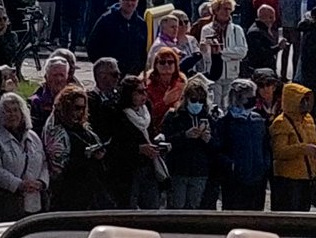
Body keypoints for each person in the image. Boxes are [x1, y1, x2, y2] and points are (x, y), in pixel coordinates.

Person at [43, 84, 113, 211]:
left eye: (83, 108)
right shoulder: (57, 131)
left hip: (91, 192)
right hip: (69, 194)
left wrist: (99, 155)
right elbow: (58, 168)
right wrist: (86, 156)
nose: (80, 112)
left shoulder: (85, 130)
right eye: (76, 108)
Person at [107, 76, 168, 210]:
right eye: (139, 92)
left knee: (152, 206)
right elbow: (114, 145)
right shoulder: (117, 113)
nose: (144, 95)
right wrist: (138, 148)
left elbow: (151, 133)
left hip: (149, 166)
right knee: (129, 207)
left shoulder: (146, 109)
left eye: (145, 91)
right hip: (128, 170)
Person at [0, 92, 49, 221]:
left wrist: (42, 182)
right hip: (7, 203)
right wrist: (18, 184)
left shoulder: (33, 136)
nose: (12, 115)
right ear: (0, 114)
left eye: (16, 110)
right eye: (7, 111)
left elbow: (44, 162)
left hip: (35, 202)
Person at [269, 82, 316, 211]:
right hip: (288, 179)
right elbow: (279, 151)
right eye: (302, 100)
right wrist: (303, 149)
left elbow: (309, 141)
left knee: (303, 214)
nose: (306, 104)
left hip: (306, 177)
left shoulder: (308, 119)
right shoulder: (280, 123)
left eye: (307, 100)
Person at [161, 77, 218, 209]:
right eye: (193, 99)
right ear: (185, 98)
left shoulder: (208, 117)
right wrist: (184, 135)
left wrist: (208, 140)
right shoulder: (173, 116)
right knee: (177, 206)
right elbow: (166, 140)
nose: (197, 103)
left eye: (201, 100)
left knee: (194, 207)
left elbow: (217, 146)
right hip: (178, 170)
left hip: (200, 171)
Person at [216, 78, 272, 210]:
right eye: (249, 97)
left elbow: (265, 146)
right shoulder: (225, 122)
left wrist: (265, 165)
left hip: (257, 178)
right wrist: (231, 166)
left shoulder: (258, 120)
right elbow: (218, 149)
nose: (253, 100)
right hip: (234, 180)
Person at [200, 0, 248, 110]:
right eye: (224, 9)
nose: (227, 12)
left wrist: (222, 53)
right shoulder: (206, 29)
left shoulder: (237, 30)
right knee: (214, 106)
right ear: (215, 10)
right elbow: (205, 54)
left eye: (229, 9)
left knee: (228, 106)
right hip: (213, 74)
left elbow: (242, 51)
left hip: (232, 74)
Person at [86, 0, 148, 76]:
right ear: (120, 1)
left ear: (137, 2)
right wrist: (101, 66)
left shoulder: (141, 24)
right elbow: (92, 45)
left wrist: (139, 67)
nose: (130, 3)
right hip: (109, 74)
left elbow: (143, 49)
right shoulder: (106, 20)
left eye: (133, 0)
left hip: (132, 74)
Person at [29, 56, 71, 135]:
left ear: (67, 77)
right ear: (46, 77)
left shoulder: (72, 98)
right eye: (55, 75)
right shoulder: (36, 101)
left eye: (62, 75)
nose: (59, 79)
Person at [145, 46, 186, 127]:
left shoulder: (182, 82)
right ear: (156, 65)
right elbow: (148, 115)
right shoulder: (148, 86)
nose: (166, 65)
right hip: (157, 128)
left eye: (170, 62)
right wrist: (164, 102)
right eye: (162, 62)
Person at [245, 4, 282, 75]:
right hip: (260, 71)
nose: (273, 20)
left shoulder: (264, 29)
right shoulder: (255, 32)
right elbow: (262, 54)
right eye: (272, 17)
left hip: (267, 69)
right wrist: (278, 47)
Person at [278, 0, 304, 79]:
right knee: (296, 52)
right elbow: (299, 13)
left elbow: (279, 9)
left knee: (285, 50)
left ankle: (283, 74)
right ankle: (294, 75)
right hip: (295, 26)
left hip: (285, 25)